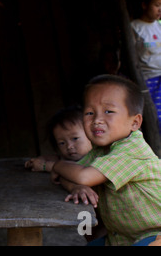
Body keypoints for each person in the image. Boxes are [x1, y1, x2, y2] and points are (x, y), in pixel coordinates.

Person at [51, 74, 161, 246]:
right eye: (89, 113)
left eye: (108, 111)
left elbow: (82, 176)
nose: (97, 120)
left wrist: (56, 165)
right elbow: (70, 175)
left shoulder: (132, 150)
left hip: (156, 235)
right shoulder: (100, 151)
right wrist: (75, 186)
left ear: (134, 122)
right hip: (122, 238)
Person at [25, 105, 93, 172]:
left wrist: (45, 166)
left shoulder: (96, 159)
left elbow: (73, 171)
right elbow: (55, 158)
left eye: (75, 138)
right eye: (62, 143)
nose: (69, 146)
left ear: (92, 134)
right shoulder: (67, 158)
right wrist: (38, 161)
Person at [131, 0, 161, 134]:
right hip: (149, 78)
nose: (160, 9)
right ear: (144, 5)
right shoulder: (134, 27)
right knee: (156, 116)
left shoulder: (159, 25)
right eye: (157, 5)